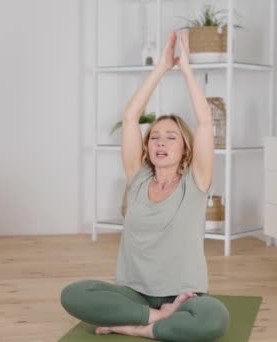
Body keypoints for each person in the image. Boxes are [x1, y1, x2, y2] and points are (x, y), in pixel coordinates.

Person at [61, 31, 229, 341]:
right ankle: (157, 321)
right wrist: (161, 68)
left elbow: (205, 122)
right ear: (147, 146)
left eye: (171, 137)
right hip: (134, 295)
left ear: (185, 149)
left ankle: (135, 328)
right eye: (154, 137)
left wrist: (186, 68)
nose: (161, 143)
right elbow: (129, 117)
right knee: (74, 294)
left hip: (185, 298)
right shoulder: (137, 179)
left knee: (214, 318)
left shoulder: (196, 182)